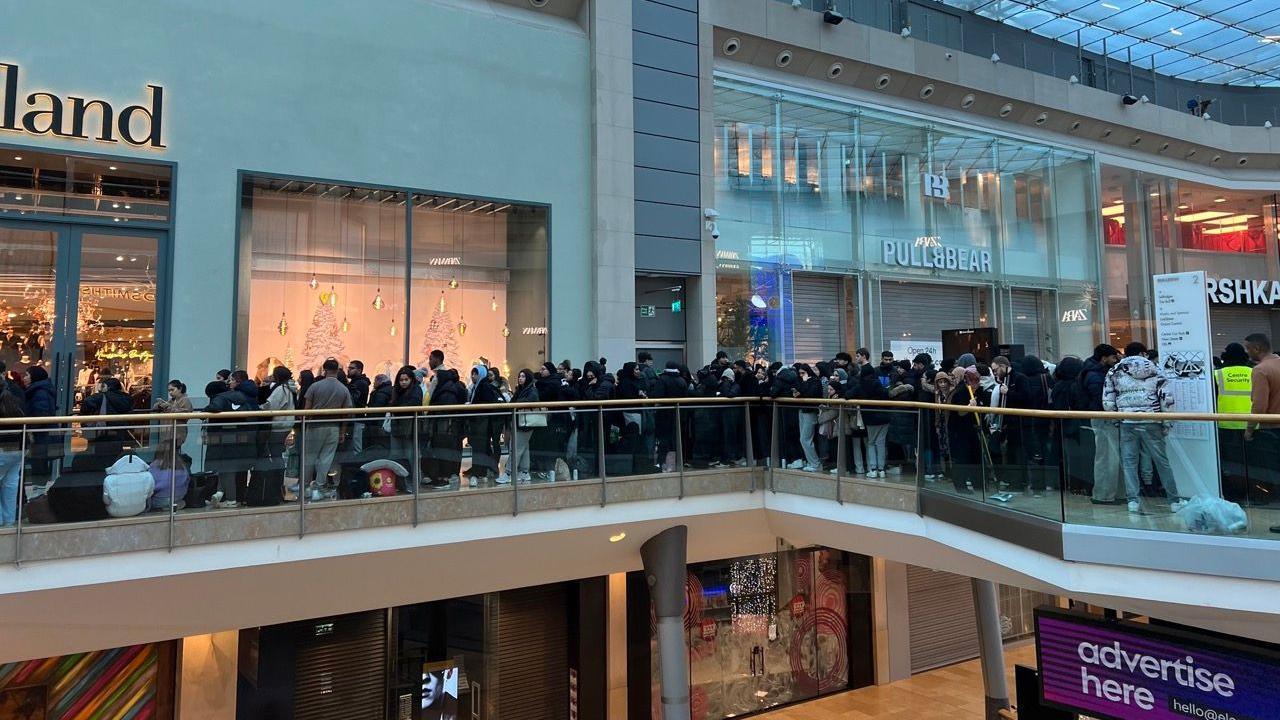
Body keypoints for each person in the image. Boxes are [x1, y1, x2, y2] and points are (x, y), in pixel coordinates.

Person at [1103, 343, 1179, 514]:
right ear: (1143, 353)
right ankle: (1173, 500)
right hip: (1152, 419)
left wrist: (1115, 418)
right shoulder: (1155, 369)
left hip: (1127, 421)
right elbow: (1166, 397)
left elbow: (1108, 398)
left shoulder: (1114, 370)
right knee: (1162, 461)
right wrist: (1167, 421)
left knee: (1129, 462)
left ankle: (1133, 501)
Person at [1243, 334, 1280, 533]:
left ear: (1257, 348)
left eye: (1248, 348)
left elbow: (1259, 405)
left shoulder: (1260, 370)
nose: (1247, 352)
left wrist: (1249, 429)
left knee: (1276, 474)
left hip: (1272, 430)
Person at [302, 358, 353, 499]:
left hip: (315, 426)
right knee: (326, 458)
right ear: (337, 370)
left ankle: (306, 487)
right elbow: (346, 413)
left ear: (324, 370)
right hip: (333, 427)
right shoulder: (344, 389)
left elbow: (306, 410)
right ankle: (319, 486)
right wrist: (342, 432)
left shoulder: (315, 386)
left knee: (309, 457)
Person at [1081, 344, 1122, 504]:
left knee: (1109, 457)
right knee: (1107, 457)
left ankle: (1110, 493)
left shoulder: (1093, 372)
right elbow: (1100, 399)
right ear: (1104, 358)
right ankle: (1104, 495)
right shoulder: (1096, 375)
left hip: (1103, 418)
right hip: (1103, 418)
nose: (1115, 360)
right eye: (1113, 357)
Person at [1214, 342, 1253, 502]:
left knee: (1230, 463)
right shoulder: (1253, 372)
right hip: (1253, 424)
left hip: (1226, 424)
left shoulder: (1218, 374)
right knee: (1252, 463)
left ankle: (1233, 494)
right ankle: (1254, 494)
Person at [947, 367, 988, 494]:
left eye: (977, 381)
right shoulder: (960, 392)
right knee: (962, 458)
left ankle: (979, 484)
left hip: (974, 429)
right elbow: (960, 412)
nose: (976, 384)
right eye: (973, 381)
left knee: (976, 457)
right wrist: (970, 406)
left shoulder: (979, 391)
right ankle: (961, 486)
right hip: (959, 431)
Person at [425, 366, 467, 487]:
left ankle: (444, 477)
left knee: (443, 453)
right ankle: (442, 476)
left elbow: (446, 410)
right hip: (444, 427)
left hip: (445, 428)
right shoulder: (447, 389)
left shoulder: (447, 391)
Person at [847, 364, 890, 477]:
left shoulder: (859, 385)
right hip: (884, 417)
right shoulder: (878, 383)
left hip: (870, 418)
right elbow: (886, 394)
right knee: (880, 443)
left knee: (871, 442)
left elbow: (848, 395)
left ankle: (873, 469)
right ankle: (881, 470)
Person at [388, 366, 423, 489]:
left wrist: (399, 408)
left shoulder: (416, 390)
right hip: (397, 428)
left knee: (411, 456)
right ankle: (400, 483)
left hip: (410, 429)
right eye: (401, 380)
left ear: (411, 380)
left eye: (406, 379)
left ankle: (414, 483)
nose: (403, 382)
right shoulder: (396, 391)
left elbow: (414, 404)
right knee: (397, 455)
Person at [466, 365, 502, 483]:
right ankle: (482, 469)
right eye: (472, 373)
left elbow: (487, 403)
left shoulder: (484, 386)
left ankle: (479, 471)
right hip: (480, 421)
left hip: (482, 421)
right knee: (481, 446)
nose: (473, 376)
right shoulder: (478, 386)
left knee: (480, 446)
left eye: (475, 374)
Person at [507, 369, 539, 484]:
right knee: (524, 448)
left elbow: (531, 400)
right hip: (520, 422)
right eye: (519, 376)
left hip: (525, 423)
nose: (520, 378)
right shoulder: (520, 390)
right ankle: (524, 472)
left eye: (523, 376)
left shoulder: (532, 390)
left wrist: (518, 402)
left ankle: (508, 472)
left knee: (516, 448)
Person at [0, 390, 25, 526]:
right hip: (19, 448)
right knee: (10, 485)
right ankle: (9, 523)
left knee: (9, 484)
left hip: (4, 449)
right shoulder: (13, 400)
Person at [153, 379, 194, 451]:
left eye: (172, 390)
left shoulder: (185, 400)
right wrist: (159, 405)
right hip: (168, 432)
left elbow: (184, 414)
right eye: (169, 391)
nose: (170, 392)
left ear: (180, 389)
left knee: (173, 453)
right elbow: (155, 409)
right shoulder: (172, 400)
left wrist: (168, 407)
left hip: (177, 433)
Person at [346, 360, 370, 453]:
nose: (349, 370)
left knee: (356, 446)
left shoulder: (360, 383)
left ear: (359, 370)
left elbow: (355, 401)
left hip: (357, 418)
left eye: (352, 368)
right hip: (355, 418)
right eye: (349, 368)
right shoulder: (356, 382)